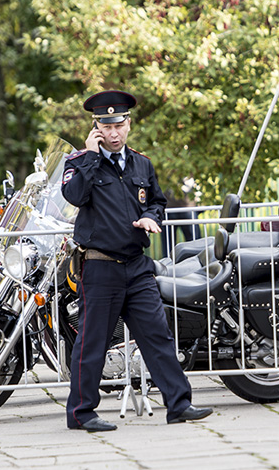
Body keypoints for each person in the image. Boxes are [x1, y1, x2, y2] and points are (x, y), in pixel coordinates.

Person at [61, 90, 213, 432]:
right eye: (106, 127)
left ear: (128, 124)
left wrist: (150, 216)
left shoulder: (142, 163)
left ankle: (179, 404)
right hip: (100, 267)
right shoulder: (80, 162)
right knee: (92, 342)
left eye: (119, 125)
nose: (113, 133)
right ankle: (81, 413)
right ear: (96, 127)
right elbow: (74, 195)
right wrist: (91, 155)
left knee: (157, 336)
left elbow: (157, 202)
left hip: (137, 265)